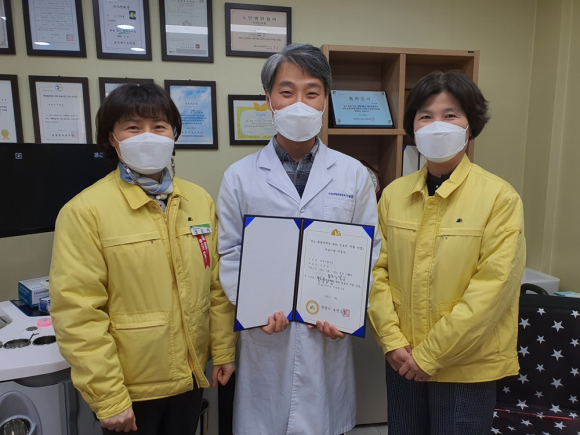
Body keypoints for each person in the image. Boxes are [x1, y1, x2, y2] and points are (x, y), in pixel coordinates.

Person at [49, 84, 237, 435]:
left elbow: (217, 286)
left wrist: (224, 351)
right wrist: (109, 398)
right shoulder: (85, 211)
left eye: (159, 126)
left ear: (173, 134)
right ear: (112, 138)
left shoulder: (198, 200)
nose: (148, 136)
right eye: (133, 127)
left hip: (191, 377)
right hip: (131, 390)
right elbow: (78, 313)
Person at [217, 43, 382, 435]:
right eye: (287, 92)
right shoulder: (239, 176)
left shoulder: (353, 174)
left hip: (327, 335)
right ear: (268, 100)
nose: (299, 104)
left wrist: (347, 312)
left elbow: (370, 254)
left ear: (325, 100)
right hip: (265, 334)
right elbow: (230, 253)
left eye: (312, 92)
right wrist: (254, 309)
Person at [368, 70, 526, 435]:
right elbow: (375, 271)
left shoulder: (499, 198)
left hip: (466, 366)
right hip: (403, 359)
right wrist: (392, 342)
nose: (437, 125)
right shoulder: (394, 195)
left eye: (450, 115)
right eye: (426, 116)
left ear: (470, 126)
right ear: (413, 127)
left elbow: (492, 290)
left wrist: (431, 355)